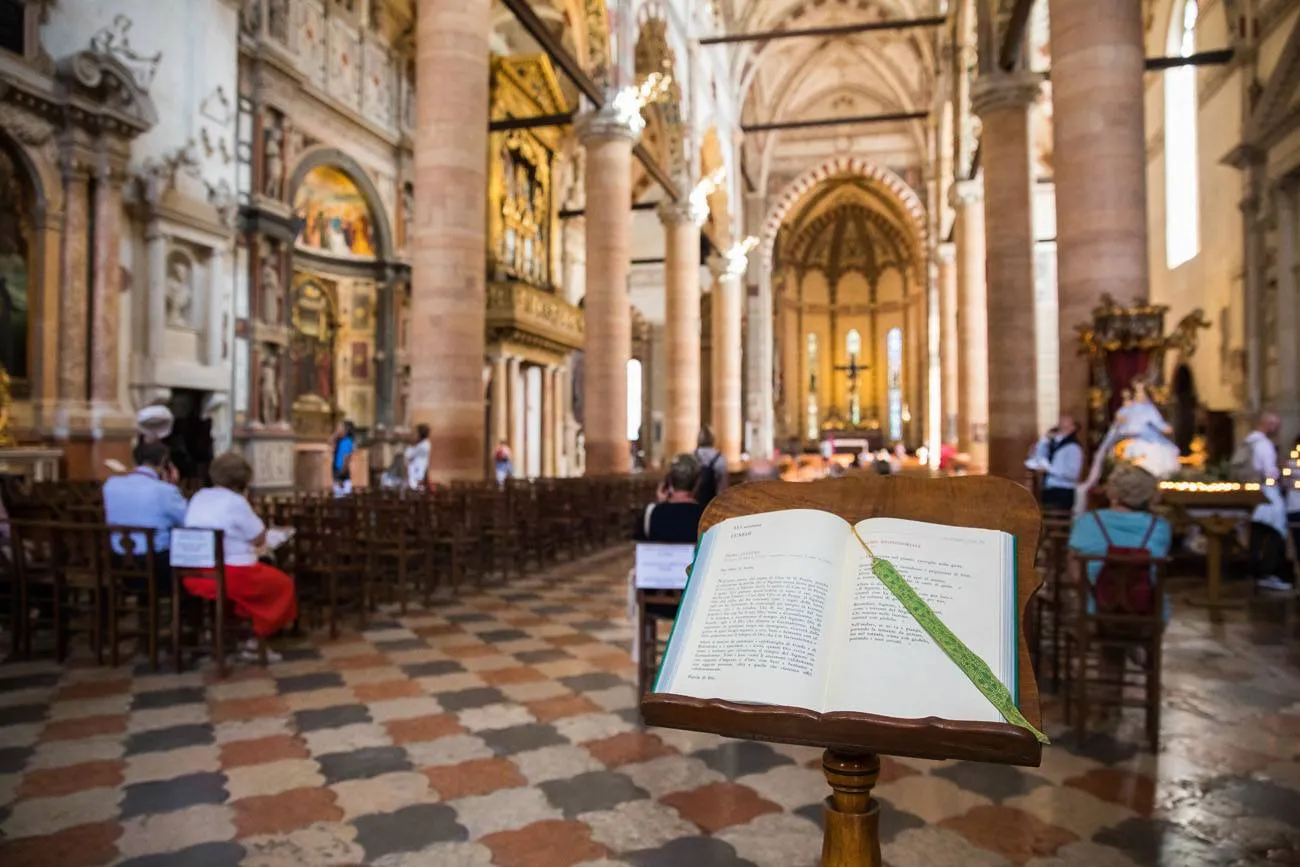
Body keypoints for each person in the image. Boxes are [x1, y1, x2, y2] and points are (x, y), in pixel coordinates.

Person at [183, 452, 297, 643]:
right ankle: (255, 635)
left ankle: (227, 628)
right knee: (283, 584)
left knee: (259, 579)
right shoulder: (235, 502)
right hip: (229, 575)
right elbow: (259, 538)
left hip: (194, 574)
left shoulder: (199, 496)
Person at [1068, 461, 1173, 618]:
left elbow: (1074, 570)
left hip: (1095, 608)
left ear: (1112, 492)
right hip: (1147, 610)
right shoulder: (1160, 527)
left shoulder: (1088, 521)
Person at [102, 440, 188, 595]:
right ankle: (181, 612)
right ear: (164, 462)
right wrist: (172, 485)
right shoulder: (165, 491)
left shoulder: (110, 484)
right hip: (156, 564)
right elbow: (186, 520)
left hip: (117, 559)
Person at [1240, 412, 1290, 590]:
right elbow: (1269, 474)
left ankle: (1255, 572)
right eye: (1275, 426)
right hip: (1266, 493)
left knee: (1257, 535)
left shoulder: (1248, 441)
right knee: (1274, 533)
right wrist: (1280, 476)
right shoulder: (1263, 445)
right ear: (1267, 425)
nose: (1277, 430)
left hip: (1253, 493)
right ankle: (1266, 572)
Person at [638, 454, 706, 544]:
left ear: (669, 481)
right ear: (697, 483)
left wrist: (658, 506)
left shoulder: (650, 515)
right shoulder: (706, 517)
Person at [1028, 415, 1084, 512]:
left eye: (1065, 426)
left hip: (1063, 491)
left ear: (1073, 428)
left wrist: (1049, 469)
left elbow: (1073, 474)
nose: (1061, 428)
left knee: (1057, 518)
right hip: (1049, 489)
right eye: (1060, 425)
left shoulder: (1073, 448)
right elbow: (1040, 457)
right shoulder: (1053, 445)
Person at [693, 427, 728, 508]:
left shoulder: (692, 455)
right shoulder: (720, 458)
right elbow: (724, 485)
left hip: (694, 501)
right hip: (712, 502)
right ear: (713, 439)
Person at [331, 420, 356, 496]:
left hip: (342, 472)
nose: (340, 429)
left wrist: (341, 475)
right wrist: (336, 433)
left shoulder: (347, 441)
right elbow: (330, 441)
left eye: (342, 428)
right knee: (337, 495)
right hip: (337, 470)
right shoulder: (340, 440)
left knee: (342, 496)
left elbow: (346, 459)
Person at [405, 424, 431, 490]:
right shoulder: (420, 444)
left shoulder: (424, 445)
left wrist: (410, 445)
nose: (414, 435)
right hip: (414, 472)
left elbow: (408, 454)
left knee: (418, 490)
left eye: (415, 433)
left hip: (418, 473)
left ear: (419, 434)